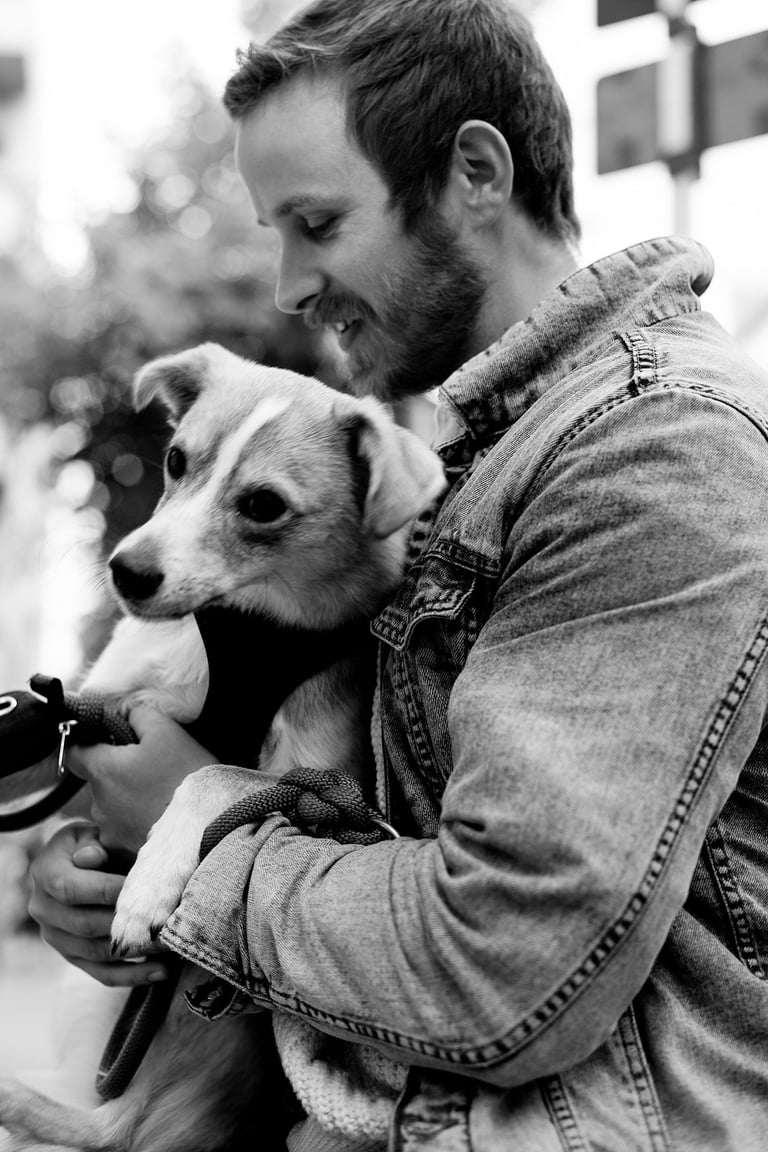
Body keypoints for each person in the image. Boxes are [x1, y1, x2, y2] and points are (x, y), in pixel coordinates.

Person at [28, 0, 768, 1148]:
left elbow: (501, 964)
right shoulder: (471, 460)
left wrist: (201, 849)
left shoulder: (659, 449)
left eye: (316, 222)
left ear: (475, 171)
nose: (286, 283)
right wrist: (114, 882)